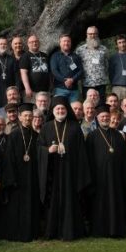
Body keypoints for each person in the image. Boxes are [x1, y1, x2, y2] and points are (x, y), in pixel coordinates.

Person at [39, 98, 91, 240]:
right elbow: (39, 149)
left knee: (71, 200)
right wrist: (47, 150)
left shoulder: (75, 127)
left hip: (70, 171)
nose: (60, 111)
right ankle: (52, 231)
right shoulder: (46, 127)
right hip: (53, 172)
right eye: (57, 109)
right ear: (53, 111)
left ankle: (70, 231)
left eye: (63, 109)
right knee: (53, 200)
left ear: (67, 111)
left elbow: (82, 152)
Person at [0, 105, 42, 242]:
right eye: (25, 116)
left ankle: (32, 232)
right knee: (17, 207)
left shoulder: (36, 136)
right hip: (17, 178)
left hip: (32, 177)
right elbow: (8, 158)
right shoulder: (14, 134)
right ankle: (18, 233)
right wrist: (12, 179)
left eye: (30, 116)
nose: (28, 118)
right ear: (20, 117)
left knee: (31, 205)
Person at [85, 106, 126, 238]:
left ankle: (116, 230)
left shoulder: (118, 136)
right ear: (97, 118)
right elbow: (88, 158)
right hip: (99, 178)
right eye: (102, 116)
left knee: (115, 202)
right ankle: (100, 230)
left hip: (115, 177)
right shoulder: (91, 136)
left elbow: (123, 158)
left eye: (106, 116)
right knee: (100, 203)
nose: (105, 118)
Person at [76, 26, 110, 98]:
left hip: (101, 83)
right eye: (90, 34)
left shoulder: (104, 49)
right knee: (88, 106)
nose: (92, 36)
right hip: (87, 83)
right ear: (86, 35)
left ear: (97, 34)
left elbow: (107, 65)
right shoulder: (80, 50)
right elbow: (77, 66)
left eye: (95, 33)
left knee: (101, 106)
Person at [50, 34, 84, 101]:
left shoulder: (76, 56)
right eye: (64, 41)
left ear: (71, 43)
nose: (66, 43)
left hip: (74, 90)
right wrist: (65, 80)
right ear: (60, 43)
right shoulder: (55, 56)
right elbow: (54, 71)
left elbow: (81, 71)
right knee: (60, 110)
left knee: (74, 110)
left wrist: (72, 80)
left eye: (68, 41)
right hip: (60, 89)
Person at [109, 34, 126, 100]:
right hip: (117, 87)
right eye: (119, 43)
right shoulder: (113, 57)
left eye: (123, 42)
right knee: (117, 107)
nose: (122, 44)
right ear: (116, 45)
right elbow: (111, 73)